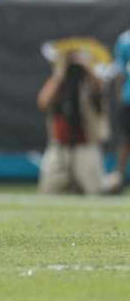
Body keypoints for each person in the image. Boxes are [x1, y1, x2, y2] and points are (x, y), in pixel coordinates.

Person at [37, 50, 113, 194]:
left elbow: (99, 90)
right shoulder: (59, 82)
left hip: (85, 146)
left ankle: (111, 182)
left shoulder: (89, 82)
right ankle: (111, 181)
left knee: (95, 191)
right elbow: (43, 102)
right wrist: (60, 72)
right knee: (49, 191)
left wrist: (87, 67)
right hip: (60, 147)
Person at [111, 30, 130, 192]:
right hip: (129, 98)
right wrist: (120, 97)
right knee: (125, 140)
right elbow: (119, 71)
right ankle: (119, 178)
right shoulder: (125, 40)